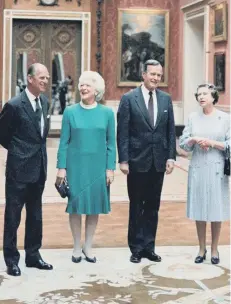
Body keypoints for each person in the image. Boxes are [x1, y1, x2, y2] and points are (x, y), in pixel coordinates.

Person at [117, 59, 176, 263]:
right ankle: (135, 248)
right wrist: (123, 160)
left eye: (159, 75)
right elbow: (122, 132)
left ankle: (149, 247)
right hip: (136, 161)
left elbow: (170, 131)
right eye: (153, 74)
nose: (156, 78)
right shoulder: (128, 99)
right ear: (143, 75)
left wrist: (171, 156)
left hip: (158, 162)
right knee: (136, 205)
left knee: (153, 206)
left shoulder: (166, 99)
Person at [56, 71, 116, 263]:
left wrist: (110, 168)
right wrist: (61, 167)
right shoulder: (70, 112)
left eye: (87, 85)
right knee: (75, 206)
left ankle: (88, 246)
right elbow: (63, 142)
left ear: (96, 90)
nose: (83, 88)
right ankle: (76, 246)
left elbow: (111, 143)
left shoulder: (107, 113)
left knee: (93, 207)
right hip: (76, 167)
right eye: (81, 85)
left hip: (98, 168)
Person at [0, 63, 53, 276]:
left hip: (39, 169)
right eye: (42, 77)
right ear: (30, 79)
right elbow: (2, 135)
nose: (45, 81)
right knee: (13, 216)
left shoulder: (46, 103)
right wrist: (18, 152)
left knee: (36, 215)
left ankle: (33, 255)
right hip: (18, 170)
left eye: (47, 78)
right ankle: (11, 260)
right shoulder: (13, 105)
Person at [179, 83, 230, 265]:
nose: (201, 97)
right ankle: (201, 248)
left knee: (216, 209)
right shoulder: (193, 117)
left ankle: (215, 248)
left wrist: (212, 143)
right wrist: (192, 140)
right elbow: (183, 144)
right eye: (198, 94)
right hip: (198, 166)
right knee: (200, 207)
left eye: (205, 94)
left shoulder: (224, 118)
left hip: (217, 167)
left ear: (213, 96)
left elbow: (229, 144)